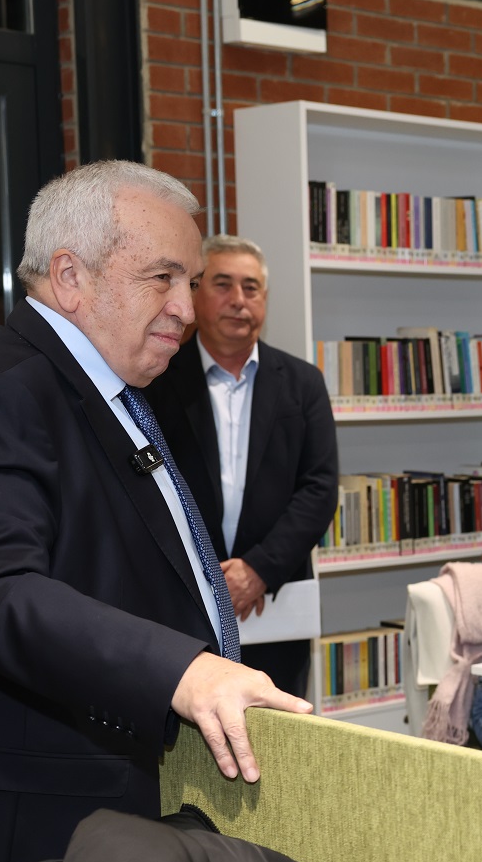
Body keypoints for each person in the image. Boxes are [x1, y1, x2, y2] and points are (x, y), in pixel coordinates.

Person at [0, 161, 311, 862]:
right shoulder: (0, 393)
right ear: (69, 277)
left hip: (100, 814)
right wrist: (182, 670)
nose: (186, 308)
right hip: (24, 844)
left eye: (191, 282)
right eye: (162, 278)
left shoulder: (105, 389)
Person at [143, 234, 339, 698]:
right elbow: (145, 491)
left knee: (279, 730)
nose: (238, 300)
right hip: (183, 605)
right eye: (223, 284)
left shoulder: (303, 383)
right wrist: (209, 576)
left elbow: (319, 489)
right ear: (195, 294)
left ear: (264, 298)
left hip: (275, 603)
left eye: (250, 288)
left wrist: (258, 569)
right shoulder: (156, 379)